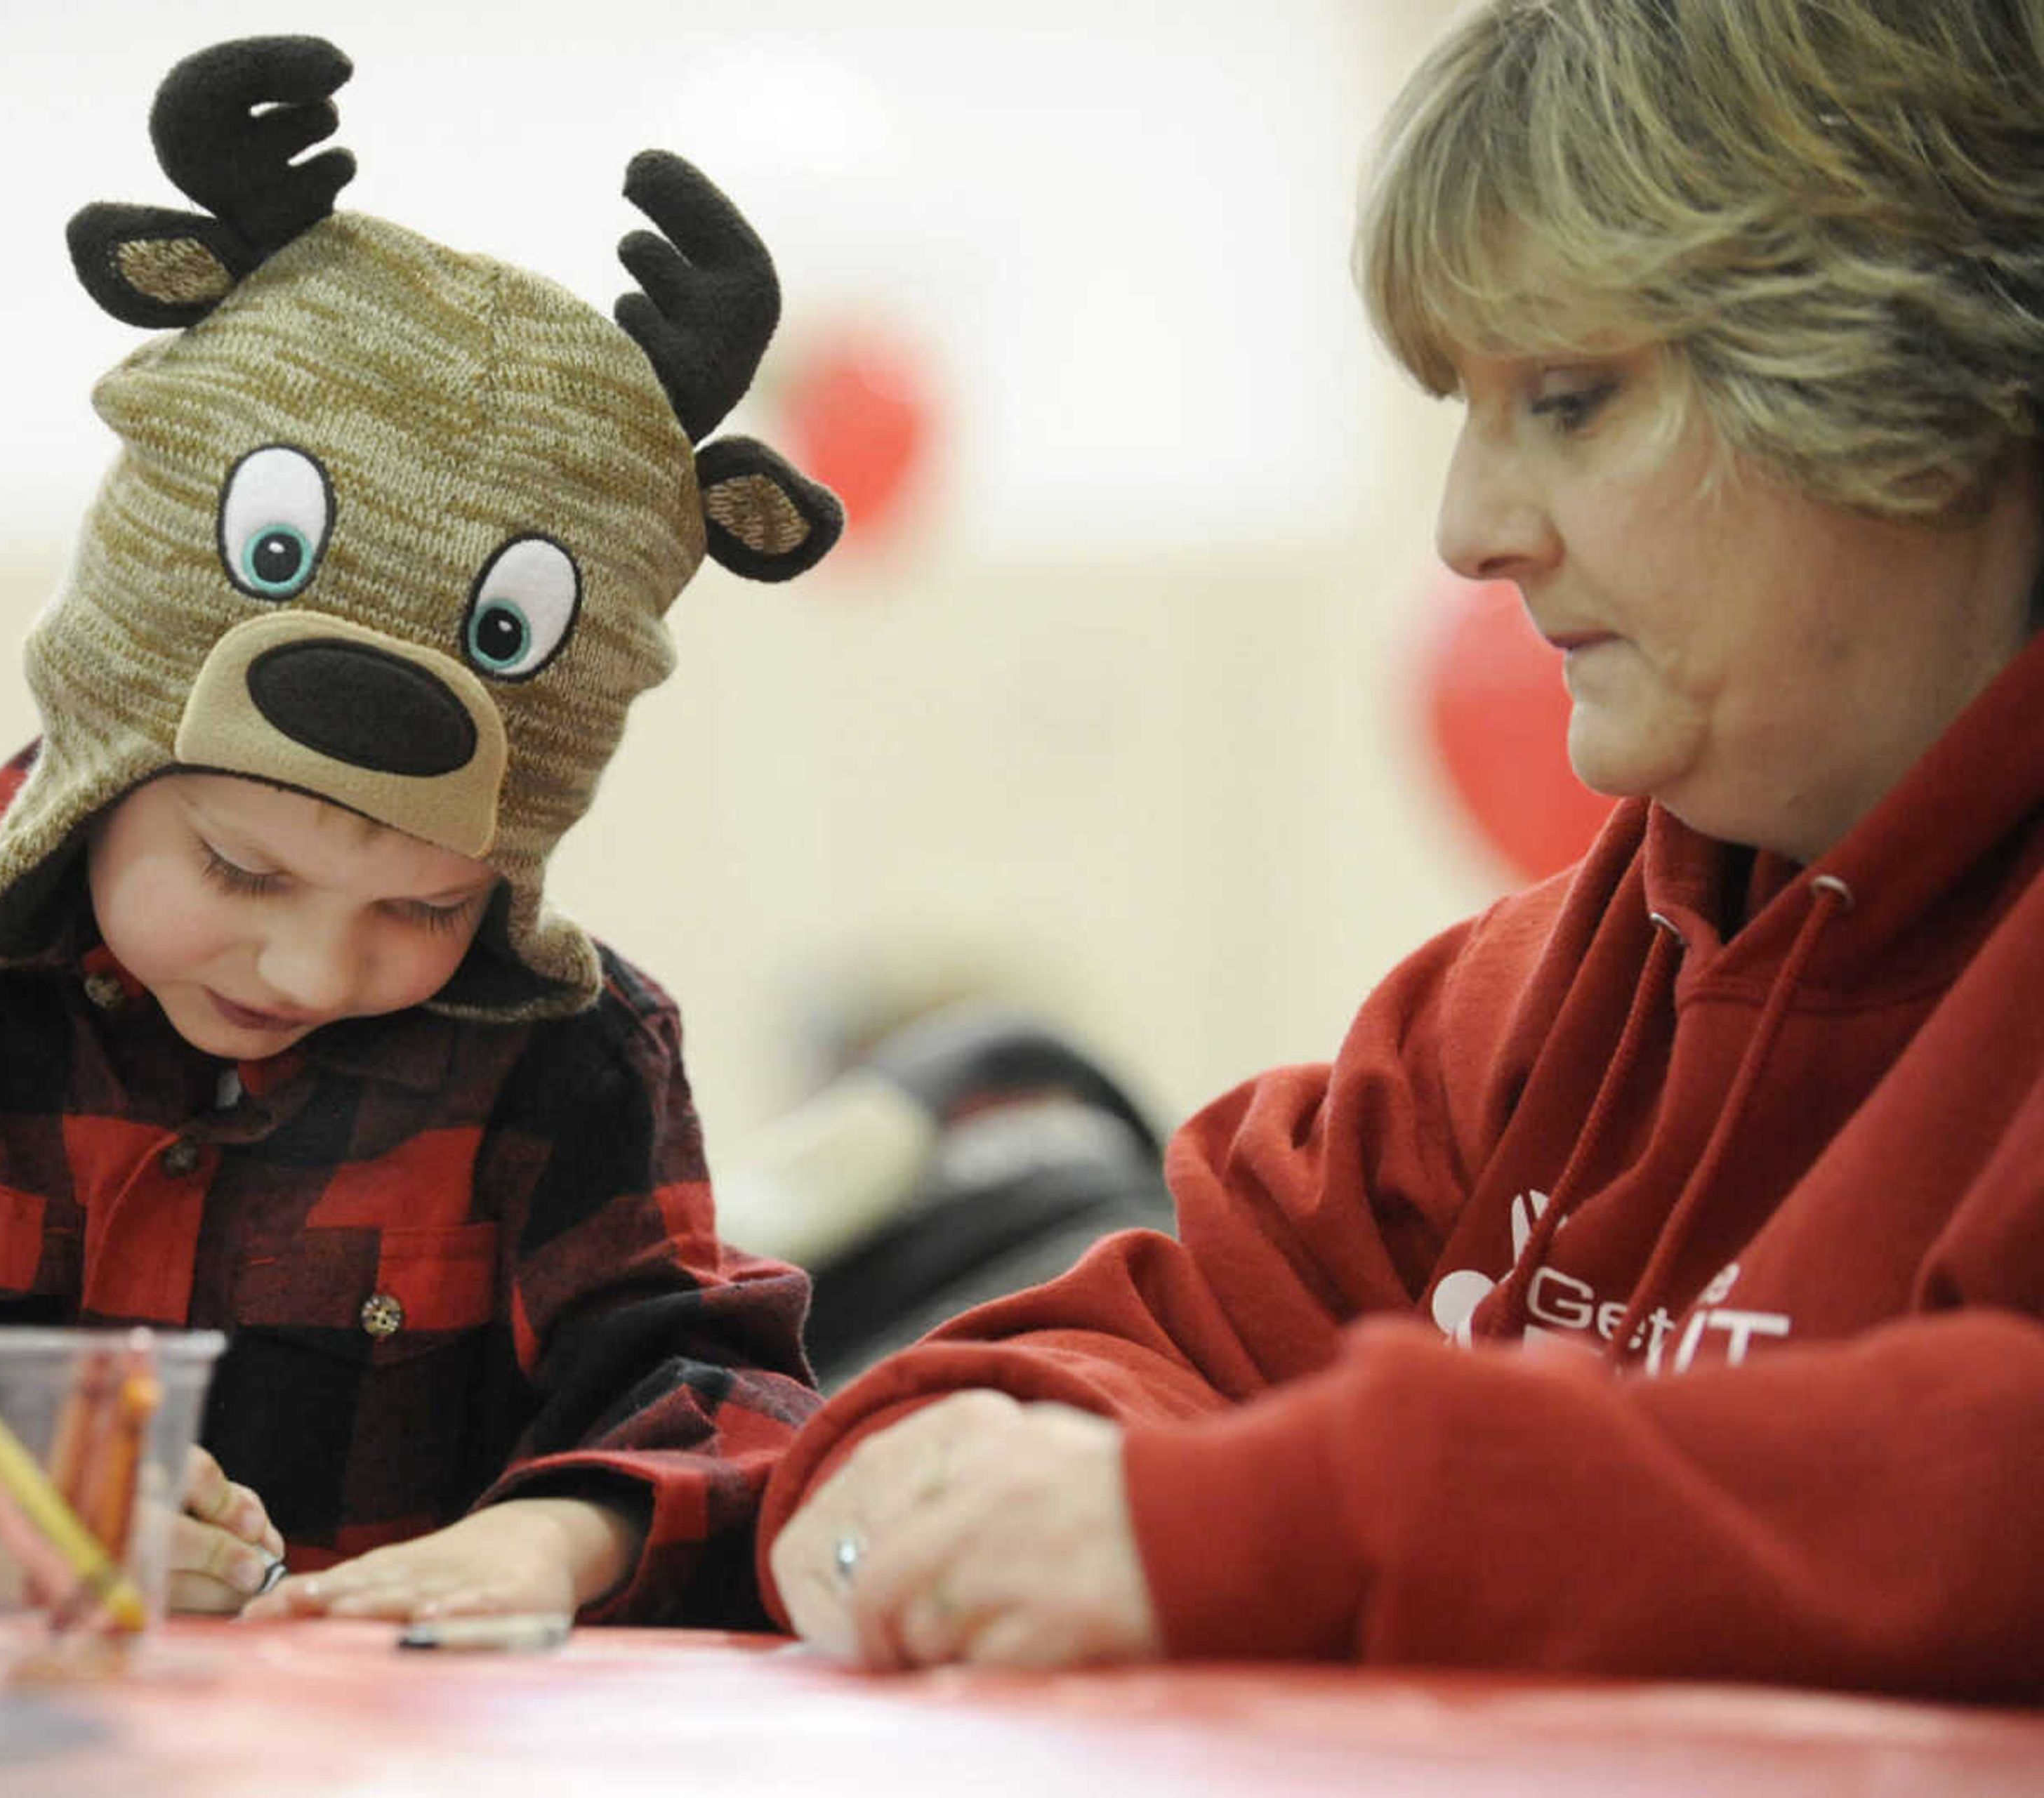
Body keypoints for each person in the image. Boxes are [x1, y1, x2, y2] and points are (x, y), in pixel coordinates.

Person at [760, 0, 2044, 1699]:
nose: (1470, 531)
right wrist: (914, 1510)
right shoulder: (1531, 1003)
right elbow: (1077, 1354)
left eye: (1570, 401)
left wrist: (1320, 1513)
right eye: (1470, 408)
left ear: (1914, 367)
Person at [0, 36, 843, 1627]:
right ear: (108, 751)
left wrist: (562, 1539)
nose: (310, 963)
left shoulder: (566, 1049)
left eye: (421, 911)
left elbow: (737, 1415)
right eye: (238, 868)